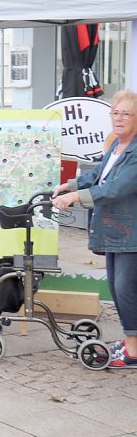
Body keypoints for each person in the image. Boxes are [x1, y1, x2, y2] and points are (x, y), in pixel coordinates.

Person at [53, 90, 137, 369]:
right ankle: (130, 342)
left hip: (132, 232)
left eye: (126, 113)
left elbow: (117, 188)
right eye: (116, 113)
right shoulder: (117, 147)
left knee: (126, 288)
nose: (119, 118)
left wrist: (76, 198)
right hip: (116, 230)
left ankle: (134, 352)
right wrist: (70, 184)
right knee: (116, 286)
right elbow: (98, 174)